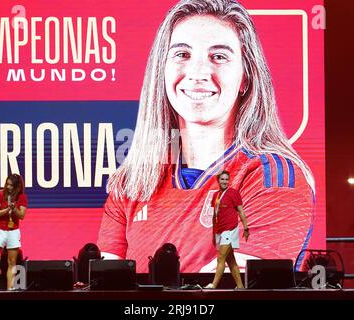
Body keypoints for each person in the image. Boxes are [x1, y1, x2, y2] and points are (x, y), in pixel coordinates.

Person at [97, 0, 315, 273]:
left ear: (246, 78)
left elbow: (222, 294)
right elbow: (107, 288)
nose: (198, 72)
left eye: (219, 56)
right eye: (182, 55)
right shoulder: (132, 183)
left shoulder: (274, 176)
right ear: (160, 70)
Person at [205, 170, 249, 289]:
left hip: (230, 229)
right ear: (218, 181)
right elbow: (215, 216)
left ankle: (213, 285)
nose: (225, 182)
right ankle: (240, 286)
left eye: (226, 179)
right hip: (220, 230)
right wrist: (214, 234)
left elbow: (240, 211)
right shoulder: (215, 196)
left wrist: (245, 227)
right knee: (231, 260)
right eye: (222, 179)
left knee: (221, 257)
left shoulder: (233, 193)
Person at [0, 174, 27, 290]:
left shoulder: (22, 197)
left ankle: (10, 289)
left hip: (13, 231)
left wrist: (14, 209)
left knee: (12, 262)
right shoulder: (0, 193)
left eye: (11, 185)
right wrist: (7, 209)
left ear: (17, 186)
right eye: (7, 184)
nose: (8, 187)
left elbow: (22, 215)